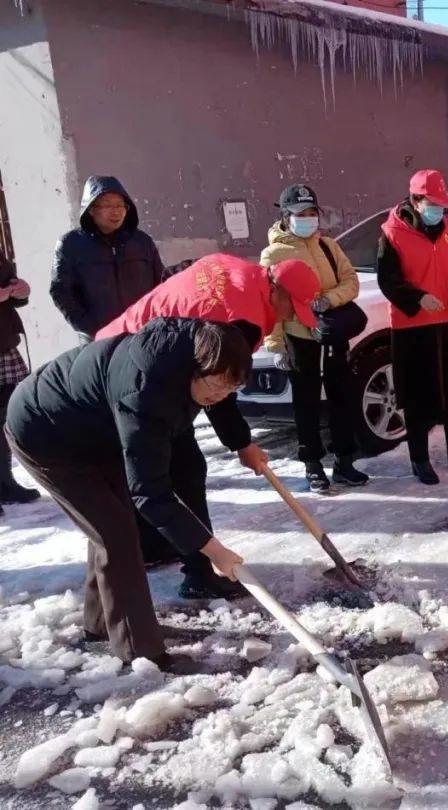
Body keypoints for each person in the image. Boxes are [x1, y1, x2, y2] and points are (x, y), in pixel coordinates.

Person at [4, 318, 248, 669]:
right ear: (196, 368)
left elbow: (165, 458)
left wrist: (240, 439)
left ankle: (103, 624)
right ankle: (141, 651)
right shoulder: (145, 390)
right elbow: (149, 493)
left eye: (229, 390)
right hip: (44, 434)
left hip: (94, 432)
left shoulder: (196, 358)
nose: (219, 397)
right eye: (216, 387)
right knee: (115, 533)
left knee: (112, 523)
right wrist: (213, 550)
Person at [97, 253, 321, 594]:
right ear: (278, 291)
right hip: (136, 370)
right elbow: (220, 389)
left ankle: (160, 546)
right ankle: (198, 574)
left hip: (128, 351)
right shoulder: (241, 319)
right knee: (182, 469)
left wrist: (240, 442)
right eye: (294, 308)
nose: (291, 317)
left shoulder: (239, 272)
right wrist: (241, 442)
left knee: (173, 468)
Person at [261, 184, 369, 493]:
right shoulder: (274, 253)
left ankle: (344, 462)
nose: (308, 219)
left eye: (312, 213)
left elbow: (351, 281)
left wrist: (330, 299)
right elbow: (270, 302)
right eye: (300, 214)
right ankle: (312, 466)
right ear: (286, 216)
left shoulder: (328, 246)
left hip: (332, 333)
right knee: (305, 405)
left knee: (342, 398)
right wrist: (276, 345)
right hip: (300, 339)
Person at [376, 169, 448, 485]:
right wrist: (417, 298)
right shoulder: (391, 234)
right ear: (416, 201)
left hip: (446, 322)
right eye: (433, 204)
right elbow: (387, 280)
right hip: (412, 329)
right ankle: (419, 459)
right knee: (418, 398)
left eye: (442, 205)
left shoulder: (445, 229)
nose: (439, 211)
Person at [50, 176, 166, 343]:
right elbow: (61, 292)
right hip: (98, 340)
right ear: (90, 209)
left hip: (143, 334)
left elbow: (160, 285)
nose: (116, 211)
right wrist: (91, 328)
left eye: (120, 205)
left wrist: (153, 321)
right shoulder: (70, 245)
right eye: (108, 205)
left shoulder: (142, 242)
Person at [0, 254, 40, 513]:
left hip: (3, 343)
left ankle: (4, 483)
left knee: (7, 417)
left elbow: (10, 290)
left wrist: (20, 291)